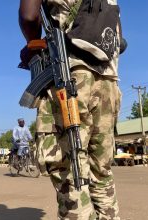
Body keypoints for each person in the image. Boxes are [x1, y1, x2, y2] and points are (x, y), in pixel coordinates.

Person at [18, 0, 123, 219]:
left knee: (71, 172)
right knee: (101, 173)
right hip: (108, 83)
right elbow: (120, 42)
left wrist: (35, 43)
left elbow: (29, 16)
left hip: (71, 77)